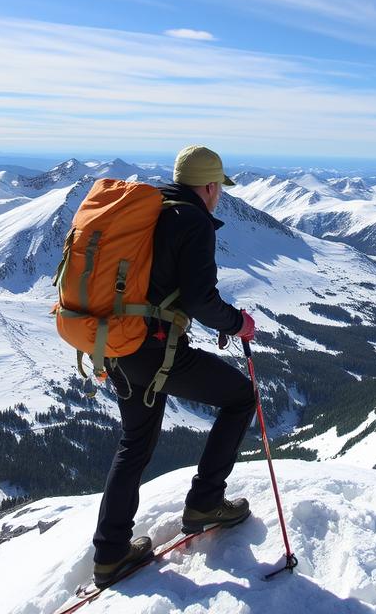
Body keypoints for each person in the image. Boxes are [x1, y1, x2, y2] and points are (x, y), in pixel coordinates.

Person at [91, 144, 257, 587]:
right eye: (218, 186)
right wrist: (239, 323)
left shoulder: (151, 209)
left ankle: (110, 554)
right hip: (154, 349)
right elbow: (201, 298)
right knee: (241, 397)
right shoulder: (194, 221)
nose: (219, 194)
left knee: (135, 443)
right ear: (208, 186)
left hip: (116, 344)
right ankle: (205, 501)